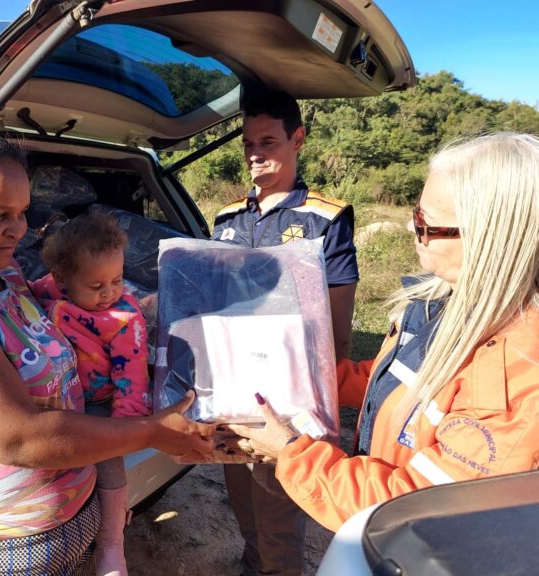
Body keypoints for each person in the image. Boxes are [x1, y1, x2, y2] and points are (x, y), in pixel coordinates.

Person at [0, 125, 213, 576]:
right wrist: (151, 431)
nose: (17, 231)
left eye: (23, 213)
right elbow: (17, 437)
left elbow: (70, 332)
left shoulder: (3, 275)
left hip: (70, 519)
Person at [229, 132, 539, 533]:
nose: (413, 231)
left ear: (489, 237)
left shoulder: (515, 376)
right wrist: (303, 376)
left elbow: (415, 508)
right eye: (415, 213)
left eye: (427, 224)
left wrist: (291, 453)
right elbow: (392, 384)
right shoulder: (445, 302)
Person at [212, 89, 359, 575]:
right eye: (248, 144)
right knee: (240, 494)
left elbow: (338, 322)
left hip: (291, 394)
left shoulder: (326, 217)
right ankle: (252, 563)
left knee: (278, 505)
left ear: (298, 139)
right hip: (234, 388)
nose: (256, 154)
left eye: (269, 142)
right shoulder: (226, 218)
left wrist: (326, 401)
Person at [31, 212, 150, 576]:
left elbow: (131, 374)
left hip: (97, 403)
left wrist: (125, 425)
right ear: (64, 279)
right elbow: (24, 294)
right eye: (97, 285)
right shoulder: (49, 289)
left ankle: (112, 543)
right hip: (57, 396)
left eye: (116, 280)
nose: (110, 292)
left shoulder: (124, 319)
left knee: (109, 463)